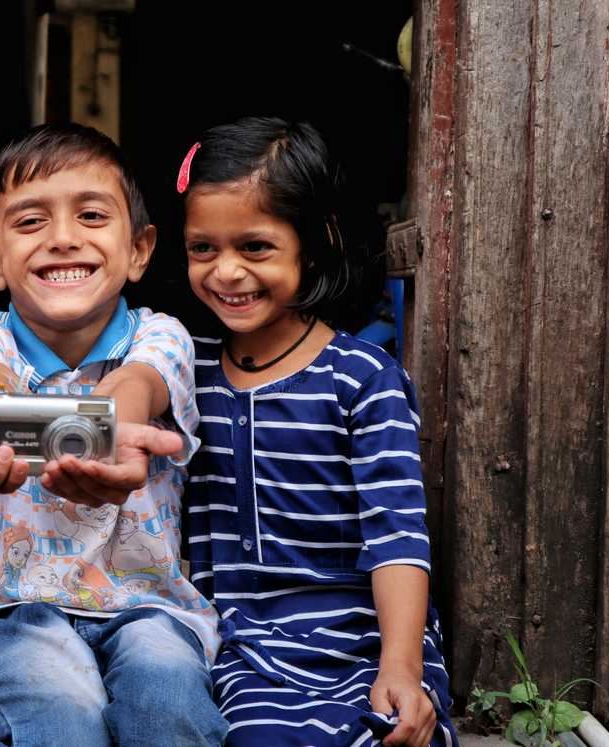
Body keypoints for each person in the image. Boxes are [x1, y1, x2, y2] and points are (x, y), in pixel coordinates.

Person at [0, 123, 228, 746]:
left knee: (169, 707)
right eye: (30, 222)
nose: (63, 238)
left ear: (139, 249)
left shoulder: (162, 334)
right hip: (7, 608)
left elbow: (137, 385)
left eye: (91, 215)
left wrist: (115, 428)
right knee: (58, 713)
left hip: (150, 608)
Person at [178, 116, 458, 747]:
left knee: (390, 731)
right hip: (241, 643)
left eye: (255, 247)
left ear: (315, 241)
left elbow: (396, 538)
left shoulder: (362, 379)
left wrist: (401, 667)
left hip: (367, 640)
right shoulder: (181, 370)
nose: (226, 271)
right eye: (203, 249)